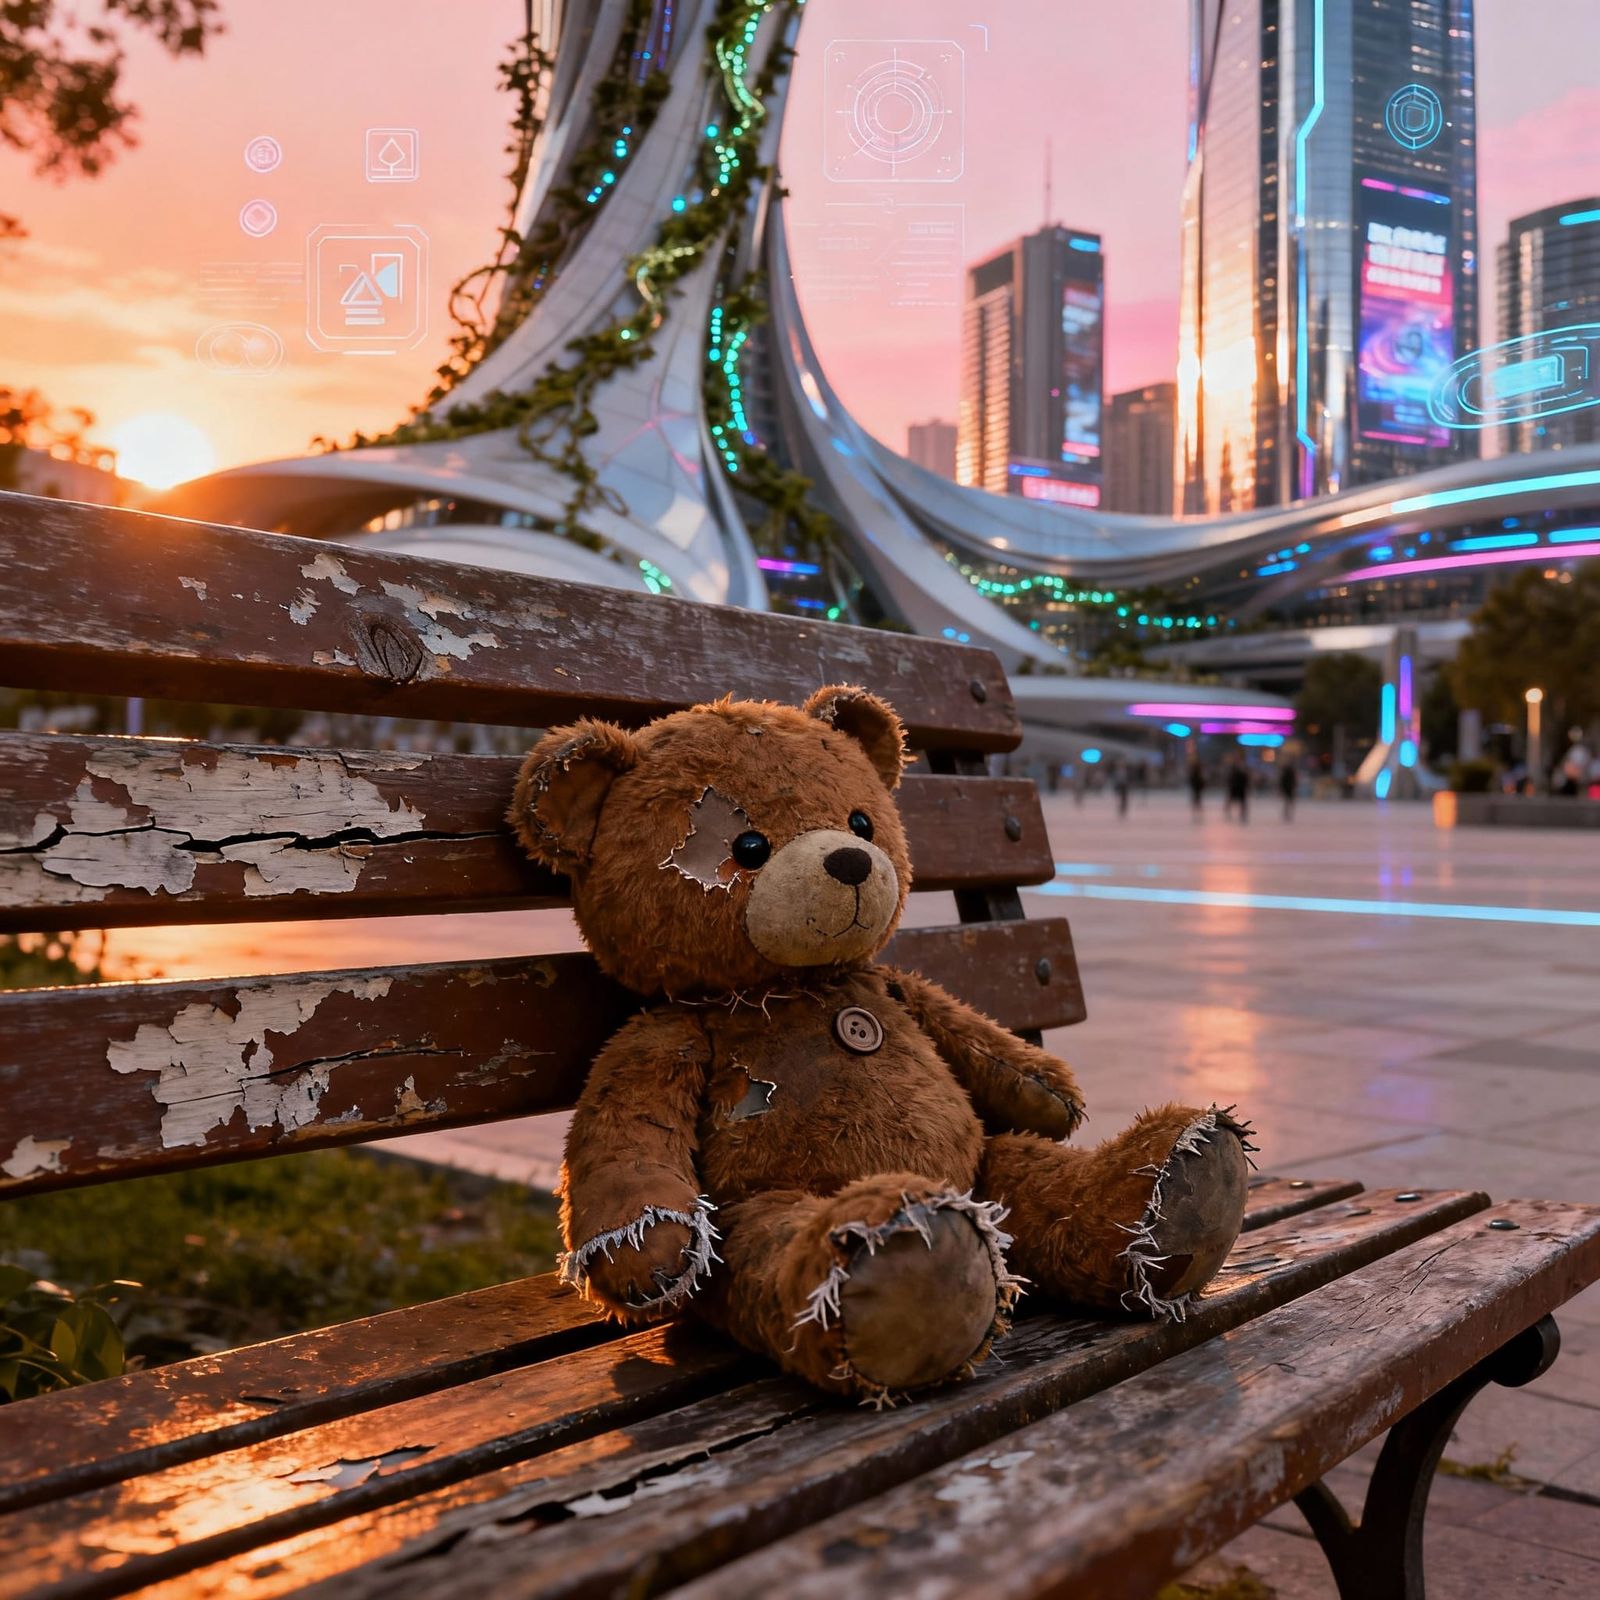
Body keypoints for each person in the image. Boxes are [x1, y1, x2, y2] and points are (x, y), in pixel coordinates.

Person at [1225, 757, 1249, 823]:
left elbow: (1246, 780)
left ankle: (1242, 814)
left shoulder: (1243, 772)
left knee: (1242, 803)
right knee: (1231, 801)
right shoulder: (1234, 771)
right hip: (1235, 788)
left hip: (1241, 789)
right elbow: (1230, 780)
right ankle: (1228, 812)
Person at [1187, 756, 1205, 821]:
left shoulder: (1196, 770)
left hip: (1196, 787)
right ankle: (1197, 812)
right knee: (1197, 800)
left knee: (1197, 800)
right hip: (1196, 787)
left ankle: (1197, 812)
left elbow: (1193, 779)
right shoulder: (1196, 771)